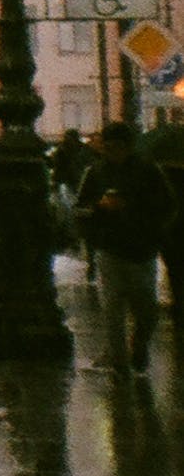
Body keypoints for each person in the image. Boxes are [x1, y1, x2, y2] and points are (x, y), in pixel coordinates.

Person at [75, 120, 176, 383]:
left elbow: (166, 205)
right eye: (108, 147)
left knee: (147, 309)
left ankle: (139, 345)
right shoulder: (95, 173)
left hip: (141, 249)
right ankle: (120, 365)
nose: (113, 152)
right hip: (110, 249)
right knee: (113, 309)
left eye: (118, 147)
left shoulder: (147, 171)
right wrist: (99, 209)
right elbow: (81, 208)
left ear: (128, 147)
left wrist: (138, 215)